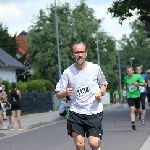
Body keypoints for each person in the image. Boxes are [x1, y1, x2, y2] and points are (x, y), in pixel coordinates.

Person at [55, 42, 108, 150]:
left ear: (86, 54)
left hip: (94, 111)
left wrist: (101, 92)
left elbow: (104, 83)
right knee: (79, 144)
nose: (79, 55)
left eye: (82, 52)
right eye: (76, 52)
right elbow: (58, 94)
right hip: (76, 111)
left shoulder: (95, 68)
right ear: (72, 55)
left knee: (94, 143)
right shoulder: (68, 73)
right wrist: (65, 93)